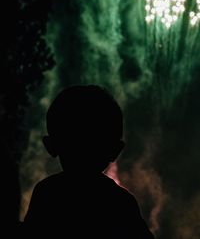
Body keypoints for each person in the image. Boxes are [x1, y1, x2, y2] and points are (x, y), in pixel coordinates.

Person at [23, 85, 154, 238]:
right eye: (76, 141)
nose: (83, 148)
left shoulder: (46, 193)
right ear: (115, 150)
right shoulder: (121, 203)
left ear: (51, 146)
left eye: (91, 142)